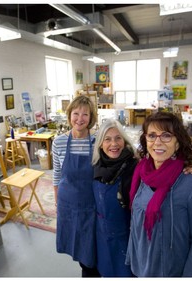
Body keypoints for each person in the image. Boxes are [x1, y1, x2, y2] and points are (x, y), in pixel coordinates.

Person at [125, 111, 192, 277]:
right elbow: (136, 225)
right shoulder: (142, 173)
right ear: (145, 140)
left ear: (177, 142)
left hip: (171, 271)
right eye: (152, 135)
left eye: (166, 135)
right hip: (140, 266)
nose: (157, 142)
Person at [52, 95, 100, 277]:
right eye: (76, 113)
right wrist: (57, 202)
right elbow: (57, 174)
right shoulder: (59, 142)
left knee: (92, 246)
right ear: (69, 115)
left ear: (91, 117)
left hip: (92, 203)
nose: (80, 118)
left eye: (85, 114)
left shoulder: (98, 141)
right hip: (68, 203)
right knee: (78, 245)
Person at [91, 119, 138, 277]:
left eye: (118, 138)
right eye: (108, 139)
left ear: (124, 141)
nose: (114, 144)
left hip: (126, 237)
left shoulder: (135, 165)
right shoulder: (96, 166)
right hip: (102, 237)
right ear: (100, 144)